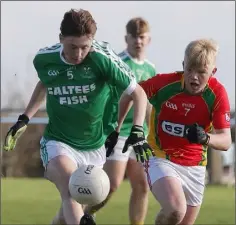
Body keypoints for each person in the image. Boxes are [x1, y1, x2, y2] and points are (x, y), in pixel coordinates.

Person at [3, 9, 154, 225]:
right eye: (73, 47)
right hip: (58, 142)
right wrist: (25, 118)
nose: (79, 54)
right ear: (61, 39)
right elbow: (46, 82)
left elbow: (138, 93)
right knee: (69, 186)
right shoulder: (45, 59)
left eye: (85, 47)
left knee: (77, 204)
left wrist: (137, 130)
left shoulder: (103, 60)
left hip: (95, 144)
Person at [108, 39, 232, 225]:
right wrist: (117, 129)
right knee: (175, 210)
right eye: (190, 69)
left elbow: (225, 140)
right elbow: (132, 93)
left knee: (179, 220)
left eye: (201, 72)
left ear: (212, 73)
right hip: (161, 158)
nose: (194, 77)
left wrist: (205, 138)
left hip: (195, 167)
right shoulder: (165, 84)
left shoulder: (218, 94)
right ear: (183, 65)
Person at [85, 17, 156, 225]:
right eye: (134, 37)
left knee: (142, 185)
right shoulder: (118, 62)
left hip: (139, 134)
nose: (138, 41)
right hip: (118, 132)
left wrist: (151, 132)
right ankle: (85, 214)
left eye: (142, 37)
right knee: (112, 184)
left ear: (148, 39)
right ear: (127, 38)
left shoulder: (151, 69)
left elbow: (149, 104)